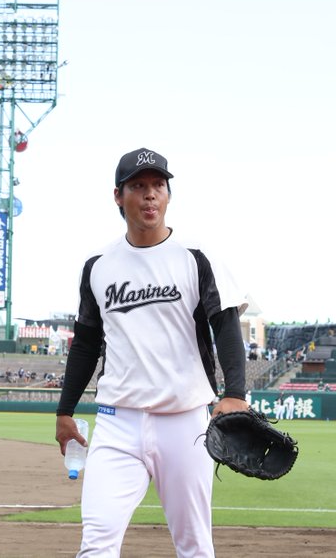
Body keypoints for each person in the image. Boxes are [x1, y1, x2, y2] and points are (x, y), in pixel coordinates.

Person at [55, 148, 249, 557]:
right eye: (138, 186)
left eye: (158, 185)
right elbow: (86, 342)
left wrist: (236, 393)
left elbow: (226, 324)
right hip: (117, 423)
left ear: (168, 195)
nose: (150, 194)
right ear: (118, 195)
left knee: (194, 546)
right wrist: (64, 411)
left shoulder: (196, 256)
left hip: (184, 422)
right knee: (96, 543)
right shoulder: (98, 266)